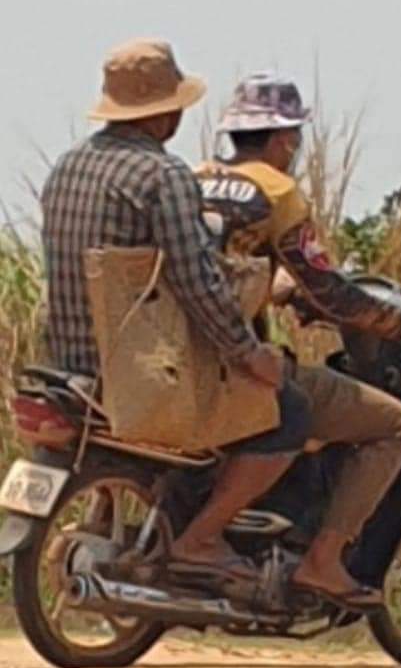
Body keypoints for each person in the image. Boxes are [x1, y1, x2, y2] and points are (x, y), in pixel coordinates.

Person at [41, 40, 311, 581]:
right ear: (163, 113)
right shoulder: (162, 176)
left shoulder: (66, 167)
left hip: (67, 365)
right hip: (136, 375)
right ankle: (203, 540)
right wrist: (248, 353)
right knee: (290, 410)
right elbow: (197, 281)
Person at [196, 73, 401, 608]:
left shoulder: (194, 178)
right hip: (240, 369)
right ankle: (324, 561)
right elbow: (331, 291)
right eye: (295, 139)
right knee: (396, 424)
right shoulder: (277, 192)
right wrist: (398, 322)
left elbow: (223, 268)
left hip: (182, 361)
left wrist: (279, 290)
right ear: (284, 140)